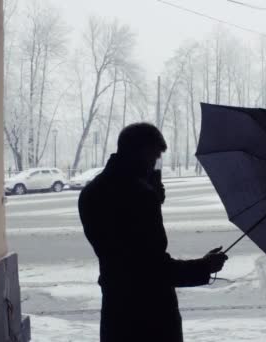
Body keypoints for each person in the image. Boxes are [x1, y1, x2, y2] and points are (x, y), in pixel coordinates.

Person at [78, 123, 228, 342]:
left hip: (116, 312)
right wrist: (205, 266)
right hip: (150, 319)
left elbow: (123, 257)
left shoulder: (91, 192)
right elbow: (151, 269)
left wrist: (149, 190)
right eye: (155, 156)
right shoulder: (139, 196)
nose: (155, 164)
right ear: (141, 151)